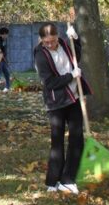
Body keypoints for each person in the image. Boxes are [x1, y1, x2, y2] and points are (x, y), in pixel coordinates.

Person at [33, 23, 89, 194]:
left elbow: (76, 57)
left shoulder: (65, 44)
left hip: (73, 98)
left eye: (53, 41)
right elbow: (49, 83)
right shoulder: (40, 55)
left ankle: (68, 179)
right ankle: (52, 181)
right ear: (41, 40)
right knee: (57, 141)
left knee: (77, 137)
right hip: (55, 102)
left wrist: (76, 39)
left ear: (58, 37)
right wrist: (70, 76)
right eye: (46, 42)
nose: (50, 44)